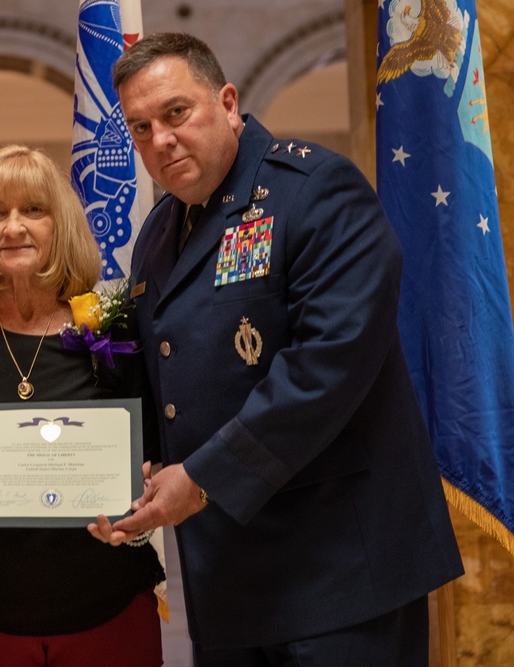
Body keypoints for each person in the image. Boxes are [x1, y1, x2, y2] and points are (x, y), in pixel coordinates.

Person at [99, 32, 464, 664]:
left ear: (229, 102)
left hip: (342, 571)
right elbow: (163, 375)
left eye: (176, 113)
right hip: (232, 583)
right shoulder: (160, 232)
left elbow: (330, 362)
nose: (159, 139)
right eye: (140, 127)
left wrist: (203, 477)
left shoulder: (315, 188)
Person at [0, 145, 165, 667]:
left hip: (108, 605)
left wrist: (142, 495)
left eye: (34, 210)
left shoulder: (113, 328)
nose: (13, 227)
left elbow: (155, 456)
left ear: (61, 224)